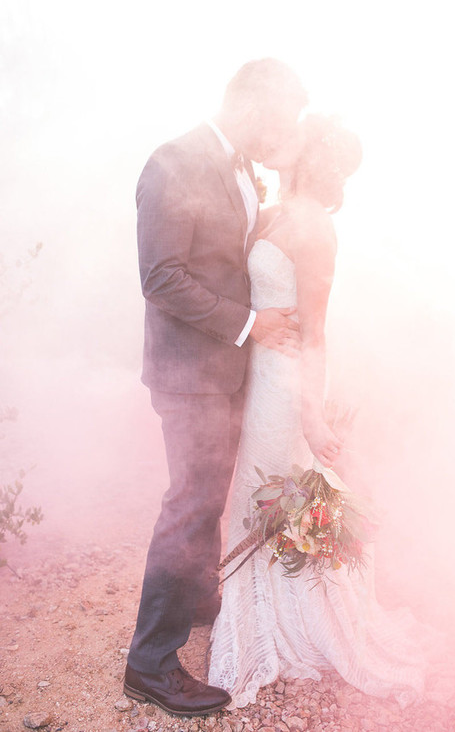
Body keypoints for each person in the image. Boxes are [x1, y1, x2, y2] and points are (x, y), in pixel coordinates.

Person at [209, 114, 430, 708]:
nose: (275, 139)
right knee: (248, 494)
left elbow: (315, 334)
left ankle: (296, 622)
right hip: (254, 372)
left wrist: (312, 418)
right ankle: (252, 609)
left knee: (276, 495)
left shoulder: (315, 231)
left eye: (290, 137)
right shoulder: (275, 211)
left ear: (308, 156)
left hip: (283, 389)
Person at [124, 59, 308, 717]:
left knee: (207, 500)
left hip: (224, 371)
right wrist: (254, 323)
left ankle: (201, 600)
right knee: (190, 506)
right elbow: (162, 277)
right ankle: (150, 662)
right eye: (282, 118)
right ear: (256, 107)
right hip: (189, 376)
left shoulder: (241, 170)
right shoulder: (173, 161)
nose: (283, 134)